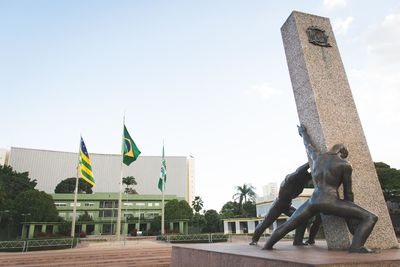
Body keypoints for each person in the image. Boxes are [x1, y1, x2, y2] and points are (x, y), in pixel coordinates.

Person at [263, 125, 378, 253]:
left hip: (313, 202)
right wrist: (349, 217)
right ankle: (356, 246)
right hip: (331, 202)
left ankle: (267, 245)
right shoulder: (345, 165)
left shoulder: (317, 158)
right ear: (342, 152)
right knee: (370, 217)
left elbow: (308, 146)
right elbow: (348, 193)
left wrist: (303, 133)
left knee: (289, 224)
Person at [249, 162, 321, 246]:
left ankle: (297, 241)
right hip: (278, 205)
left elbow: (314, 174)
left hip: (287, 205)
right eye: (306, 178)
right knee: (266, 223)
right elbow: (298, 171)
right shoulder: (290, 178)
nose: (307, 180)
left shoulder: (300, 182)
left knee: (302, 219)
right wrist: (312, 161)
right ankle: (254, 239)